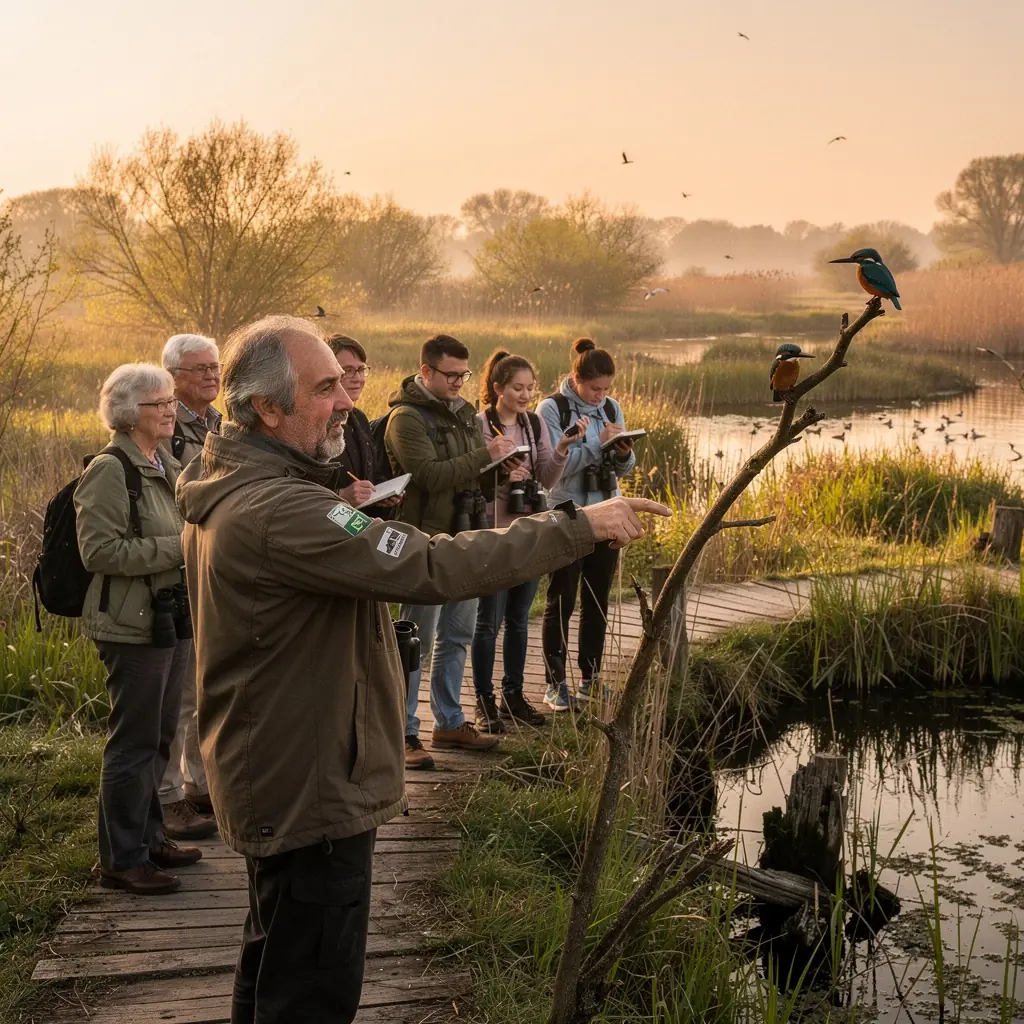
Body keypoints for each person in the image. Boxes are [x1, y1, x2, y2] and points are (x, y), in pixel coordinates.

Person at [176, 314, 669, 1024]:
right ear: (266, 408)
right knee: (311, 987)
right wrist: (578, 526)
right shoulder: (278, 509)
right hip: (311, 782)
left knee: (275, 956)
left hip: (281, 766)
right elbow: (428, 564)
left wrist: (336, 505)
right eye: (324, 389)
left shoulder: (229, 477)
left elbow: (363, 545)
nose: (348, 400)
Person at [75, 363, 200, 895]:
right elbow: (97, 551)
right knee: (134, 741)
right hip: (131, 625)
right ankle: (122, 859)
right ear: (129, 414)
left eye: (172, 401)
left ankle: (150, 840)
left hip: (167, 619)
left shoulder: (163, 460)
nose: (171, 410)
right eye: (160, 403)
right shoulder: (110, 469)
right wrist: (179, 549)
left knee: (160, 733)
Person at [384, 334, 519, 768]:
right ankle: (404, 733)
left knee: (457, 636)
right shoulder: (405, 418)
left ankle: (449, 721)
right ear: (425, 371)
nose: (460, 382)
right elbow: (427, 475)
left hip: (465, 537)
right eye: (451, 374)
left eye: (464, 374)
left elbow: (467, 478)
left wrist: (498, 467)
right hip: (425, 543)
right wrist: (484, 455)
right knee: (415, 644)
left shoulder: (462, 413)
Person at [471, 350, 589, 732]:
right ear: (498, 388)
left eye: (529, 388)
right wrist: (503, 476)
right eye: (517, 388)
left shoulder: (535, 423)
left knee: (519, 620)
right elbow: (473, 483)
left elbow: (548, 480)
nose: (524, 395)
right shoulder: (480, 425)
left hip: (531, 528)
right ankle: (484, 701)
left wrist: (561, 449)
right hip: (494, 532)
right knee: (488, 622)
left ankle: (513, 695)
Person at [537, 338, 637, 712]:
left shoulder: (612, 407)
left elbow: (624, 468)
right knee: (560, 599)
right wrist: (596, 446)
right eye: (595, 388)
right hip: (567, 512)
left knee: (597, 600)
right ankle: (554, 682)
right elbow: (552, 471)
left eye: (607, 388)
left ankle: (590, 680)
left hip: (607, 512)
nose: (601, 396)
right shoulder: (551, 409)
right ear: (576, 378)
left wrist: (623, 451)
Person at [156, 333, 221, 837]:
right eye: (199, 368)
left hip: (211, 568)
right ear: (173, 376)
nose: (211, 375)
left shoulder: (219, 424)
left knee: (205, 686)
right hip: (176, 573)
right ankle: (170, 796)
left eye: (215, 367)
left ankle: (200, 785)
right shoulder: (163, 426)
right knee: (178, 696)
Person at [326, 334, 400, 517]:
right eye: (348, 370)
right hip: (331, 532)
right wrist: (341, 496)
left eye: (361, 370)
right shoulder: (314, 421)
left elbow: (371, 472)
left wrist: (382, 493)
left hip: (365, 529)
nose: (357, 378)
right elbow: (300, 492)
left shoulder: (359, 418)